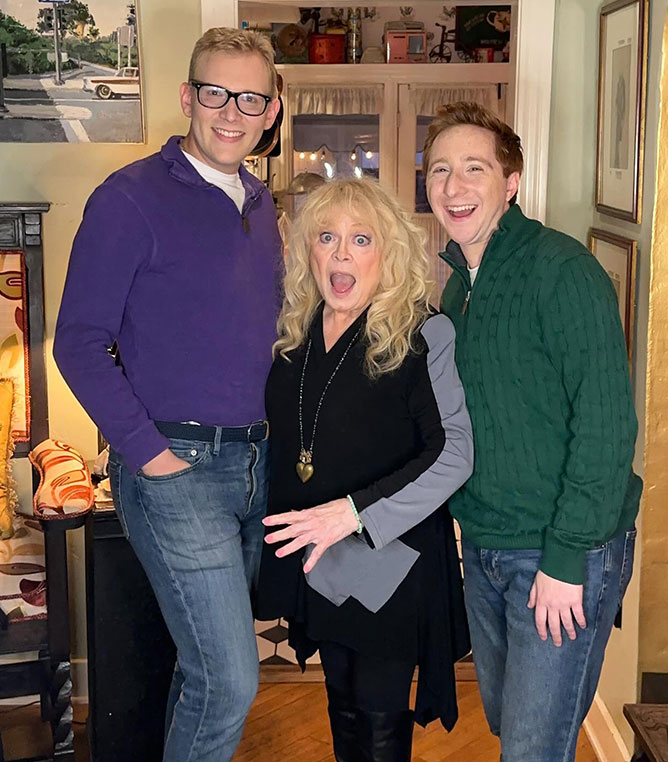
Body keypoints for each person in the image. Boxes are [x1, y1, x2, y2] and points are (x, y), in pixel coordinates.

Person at [53, 28, 282, 762]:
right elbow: (77, 342)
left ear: (271, 111)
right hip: (175, 465)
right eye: (214, 92)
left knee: (204, 673)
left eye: (249, 98)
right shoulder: (129, 198)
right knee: (230, 679)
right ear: (188, 96)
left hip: (253, 467)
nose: (230, 112)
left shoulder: (262, 203)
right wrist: (151, 457)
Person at [423, 101, 642, 761]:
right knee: (512, 730)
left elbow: (606, 426)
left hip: (559, 553)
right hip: (486, 548)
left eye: (473, 169)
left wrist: (567, 558)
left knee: (532, 749)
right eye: (439, 171)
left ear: (510, 182)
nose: (453, 187)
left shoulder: (561, 270)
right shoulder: (460, 287)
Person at [256, 177, 473, 761]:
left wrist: (352, 513)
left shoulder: (423, 332)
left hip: (391, 561)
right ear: (310, 251)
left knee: (378, 717)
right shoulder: (295, 333)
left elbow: (454, 453)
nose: (342, 254)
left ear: (390, 253)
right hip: (323, 558)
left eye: (361, 239)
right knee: (342, 705)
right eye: (327, 237)